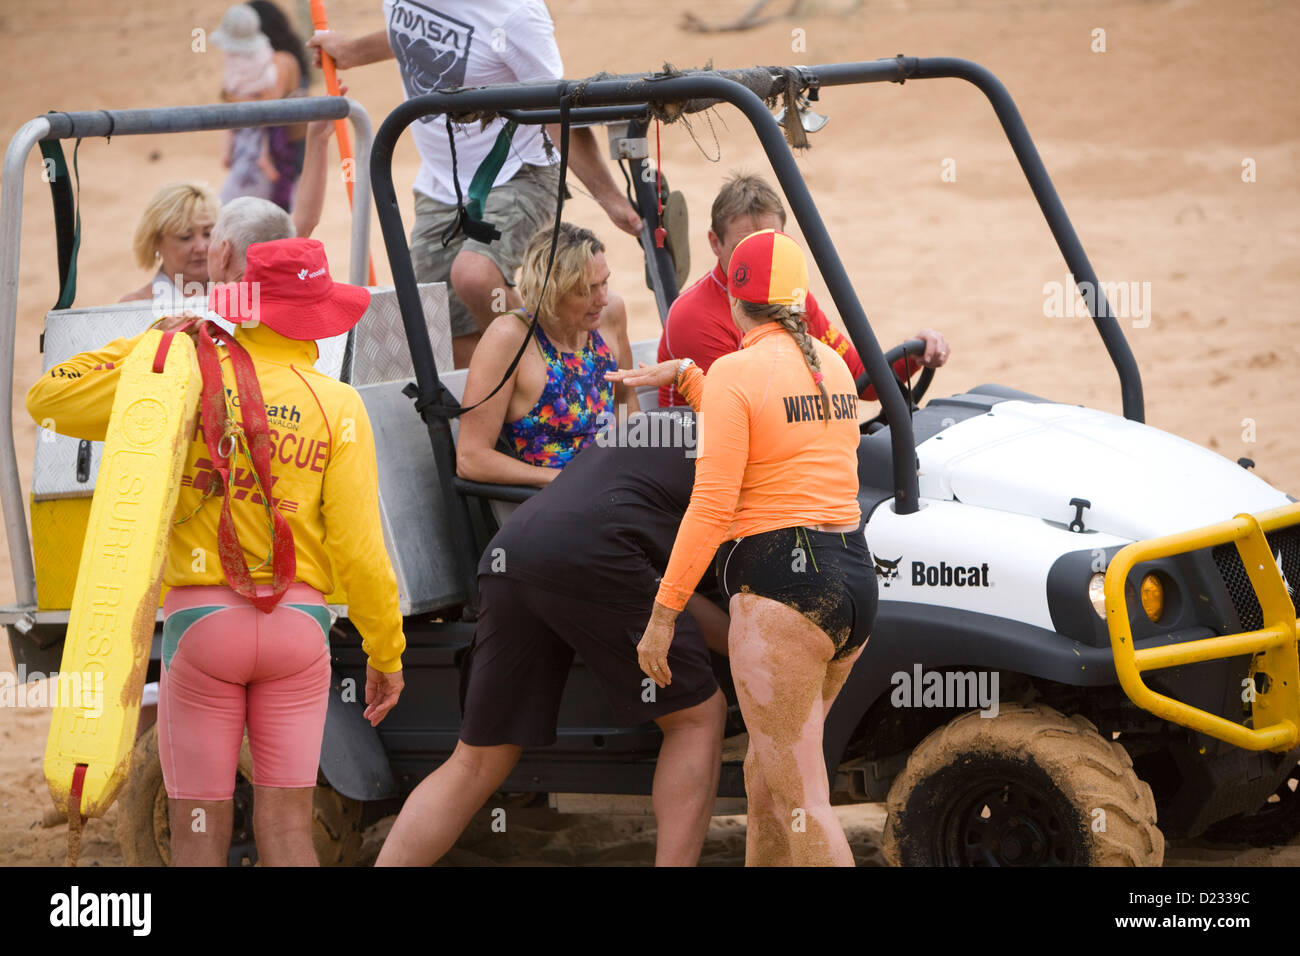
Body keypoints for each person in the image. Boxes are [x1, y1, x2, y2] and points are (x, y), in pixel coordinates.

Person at [28, 237, 406, 866]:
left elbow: (50, 397)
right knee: (288, 831)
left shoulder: (183, 378)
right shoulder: (338, 405)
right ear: (315, 318)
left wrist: (151, 342)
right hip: (297, 629)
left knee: (199, 830)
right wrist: (385, 651)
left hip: (202, 627)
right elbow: (361, 550)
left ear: (247, 306)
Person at [609, 229, 878, 866]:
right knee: (768, 776)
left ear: (735, 300)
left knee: (803, 796)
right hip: (852, 583)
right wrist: (691, 378)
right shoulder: (831, 366)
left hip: (782, 593)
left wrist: (664, 613)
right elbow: (773, 421)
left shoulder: (738, 370)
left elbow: (710, 507)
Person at [377, 435, 729, 867]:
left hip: (513, 550)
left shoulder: (657, 430)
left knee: (475, 761)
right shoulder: (749, 443)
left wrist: (734, 643)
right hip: (596, 552)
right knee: (697, 717)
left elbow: (673, 588)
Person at [307, 1, 642, 368]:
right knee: (442, 329)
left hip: (517, 168)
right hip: (441, 181)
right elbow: (418, 30)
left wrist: (611, 199)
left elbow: (556, 110)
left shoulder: (515, 15)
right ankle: (500, 405)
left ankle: (550, 376)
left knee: (475, 276)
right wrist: (353, 51)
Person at [656, 173, 950, 408]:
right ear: (715, 243)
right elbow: (739, 419)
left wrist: (914, 353)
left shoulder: (791, 295)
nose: (761, 261)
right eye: (745, 249)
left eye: (772, 244)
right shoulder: (696, 317)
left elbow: (861, 379)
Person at [455, 222, 636, 487]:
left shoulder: (611, 316)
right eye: (586, 290)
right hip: (549, 501)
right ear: (550, 290)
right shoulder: (510, 337)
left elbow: (625, 399)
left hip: (612, 489)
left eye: (604, 282)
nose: (603, 299)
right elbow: (471, 459)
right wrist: (566, 482)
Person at [213, 4, 287, 206]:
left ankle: (235, 155)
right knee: (256, 132)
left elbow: (229, 91)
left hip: (244, 118)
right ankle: (261, 158)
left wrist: (236, 98)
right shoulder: (265, 53)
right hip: (256, 116)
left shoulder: (232, 59)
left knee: (238, 131)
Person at [248, 0, 313, 211]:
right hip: (296, 141)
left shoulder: (279, 60)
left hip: (283, 147)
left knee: (277, 209)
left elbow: (269, 106)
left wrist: (232, 97)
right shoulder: (292, 54)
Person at [120, 181, 219, 307]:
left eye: (208, 234)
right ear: (156, 241)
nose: (200, 247)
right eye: (185, 237)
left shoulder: (239, 296)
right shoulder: (135, 306)